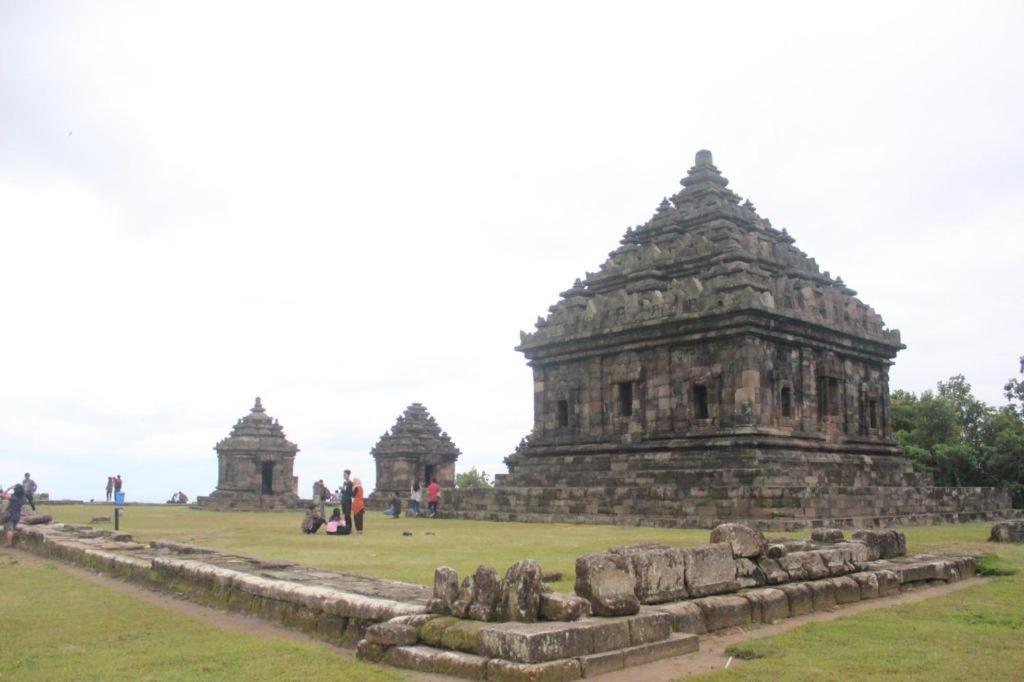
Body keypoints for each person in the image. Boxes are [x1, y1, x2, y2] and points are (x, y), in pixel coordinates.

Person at [1, 484, 27, 548]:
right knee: (11, 529)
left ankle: (9, 544)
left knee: (9, 529)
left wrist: (9, 488)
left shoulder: (13, 497)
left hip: (10, 515)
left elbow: (2, 495)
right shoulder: (23, 498)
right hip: (17, 515)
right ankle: (9, 542)